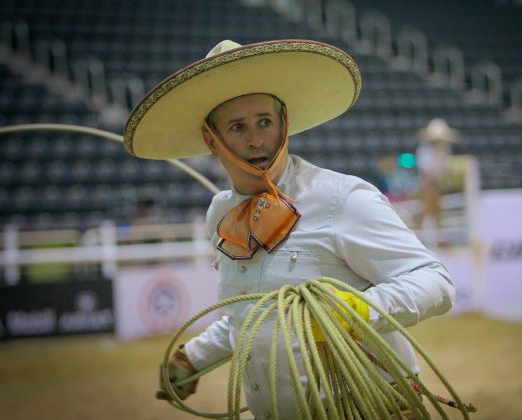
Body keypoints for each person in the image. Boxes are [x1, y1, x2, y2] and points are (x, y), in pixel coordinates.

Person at [124, 39, 455, 419]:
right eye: (237, 127)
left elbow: (435, 281)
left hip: (369, 407)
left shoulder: (342, 198)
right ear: (211, 141)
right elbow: (252, 311)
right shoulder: (220, 214)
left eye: (264, 122)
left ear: (284, 123)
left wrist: (355, 311)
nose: (255, 140)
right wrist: (194, 357)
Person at [415, 118, 459, 247]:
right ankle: (421, 237)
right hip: (428, 184)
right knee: (426, 209)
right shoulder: (425, 151)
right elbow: (426, 171)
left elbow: (443, 168)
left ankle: (439, 238)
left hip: (437, 183)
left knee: (437, 211)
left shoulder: (444, 150)